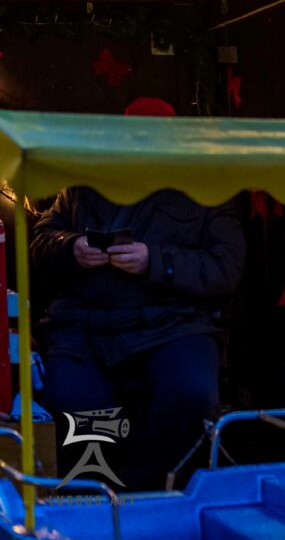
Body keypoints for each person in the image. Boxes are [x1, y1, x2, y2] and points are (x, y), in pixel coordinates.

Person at [32, 186, 246, 490]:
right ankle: (99, 500)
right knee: (75, 398)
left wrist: (156, 261)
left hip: (173, 323)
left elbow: (226, 266)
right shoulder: (82, 177)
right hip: (85, 326)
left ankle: (147, 495)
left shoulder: (205, 182)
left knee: (190, 395)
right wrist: (70, 247)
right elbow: (42, 240)